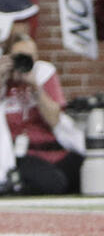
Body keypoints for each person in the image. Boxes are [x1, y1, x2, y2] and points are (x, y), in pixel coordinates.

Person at [1, 34, 83, 195]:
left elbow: (54, 119)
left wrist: (35, 88)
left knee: (96, 177)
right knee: (54, 183)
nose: (23, 62)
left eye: (30, 57)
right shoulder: (3, 78)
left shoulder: (43, 73)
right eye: (18, 57)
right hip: (18, 153)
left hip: (52, 149)